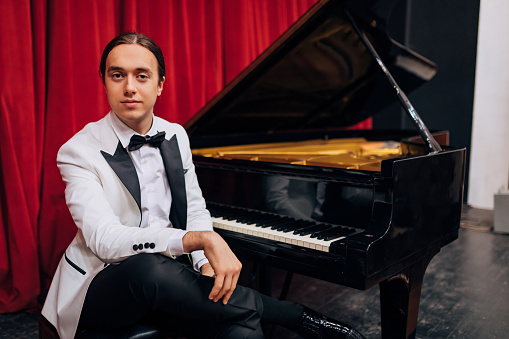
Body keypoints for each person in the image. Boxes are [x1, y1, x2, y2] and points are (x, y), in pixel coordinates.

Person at [41, 32, 365, 339]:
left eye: (142, 75)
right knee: (147, 267)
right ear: (104, 82)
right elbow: (104, 241)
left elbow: (194, 206)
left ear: (159, 85)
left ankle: (272, 314)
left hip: (171, 277)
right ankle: (294, 316)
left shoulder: (175, 134)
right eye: (117, 75)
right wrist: (197, 240)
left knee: (241, 324)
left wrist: (203, 262)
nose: (129, 87)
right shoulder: (78, 150)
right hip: (106, 286)